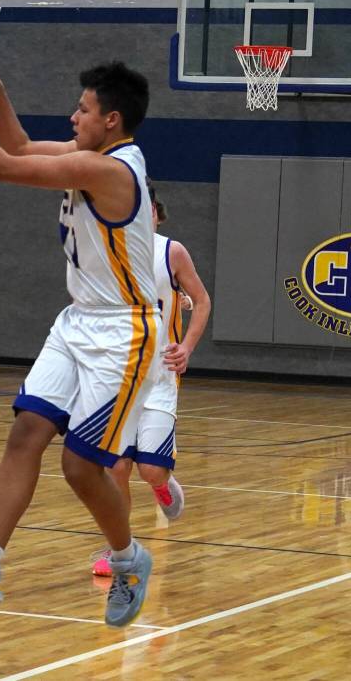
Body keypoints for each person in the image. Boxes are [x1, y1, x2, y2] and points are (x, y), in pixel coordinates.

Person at [0, 53, 190, 627]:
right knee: (25, 433)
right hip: (78, 320)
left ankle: (129, 558)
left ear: (110, 120)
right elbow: (15, 146)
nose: (72, 116)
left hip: (124, 332)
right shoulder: (92, 155)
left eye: (83, 109)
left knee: (80, 468)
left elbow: (4, 170)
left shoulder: (111, 171)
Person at [91, 179, 212, 578]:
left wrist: (187, 348)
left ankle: (164, 485)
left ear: (157, 214)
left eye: (148, 207)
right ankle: (118, 549)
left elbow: (203, 300)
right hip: (120, 378)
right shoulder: (108, 252)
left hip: (160, 376)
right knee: (116, 470)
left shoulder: (171, 252)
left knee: (150, 470)